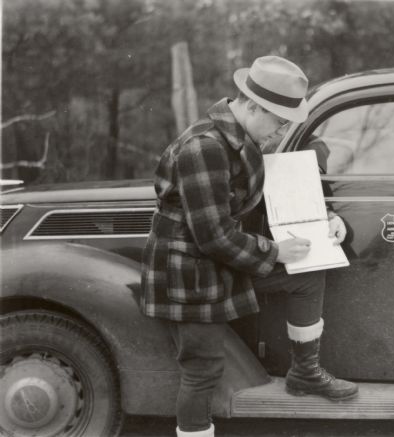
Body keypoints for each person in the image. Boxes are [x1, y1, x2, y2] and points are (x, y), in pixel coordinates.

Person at [139, 55, 358, 437]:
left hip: (220, 263)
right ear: (253, 106)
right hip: (189, 275)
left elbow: (278, 193)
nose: (280, 131)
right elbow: (213, 236)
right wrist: (274, 252)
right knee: (202, 369)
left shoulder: (242, 139)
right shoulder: (205, 147)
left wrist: (326, 218)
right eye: (278, 121)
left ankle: (304, 373)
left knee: (306, 275)